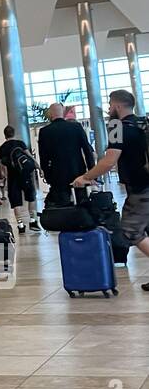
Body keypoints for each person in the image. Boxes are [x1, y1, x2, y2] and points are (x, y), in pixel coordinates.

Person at [72, 88, 149, 290]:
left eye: (109, 104)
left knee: (132, 232)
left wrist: (86, 177)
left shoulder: (116, 125)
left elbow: (109, 160)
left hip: (141, 189)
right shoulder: (143, 123)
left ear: (116, 105)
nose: (108, 108)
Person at [38, 101, 94, 206]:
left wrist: (48, 176)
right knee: (82, 202)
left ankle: (67, 220)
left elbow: (43, 157)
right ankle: (83, 219)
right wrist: (92, 173)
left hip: (57, 174)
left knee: (62, 204)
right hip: (78, 171)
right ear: (63, 112)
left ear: (50, 114)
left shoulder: (45, 131)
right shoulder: (76, 127)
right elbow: (87, 150)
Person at [0, 125, 41, 234]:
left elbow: (2, 165)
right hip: (25, 175)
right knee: (31, 198)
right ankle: (33, 220)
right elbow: (29, 155)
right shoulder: (20, 143)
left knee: (16, 202)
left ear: (5, 134)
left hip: (13, 177)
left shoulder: (3, 147)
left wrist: (4, 176)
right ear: (14, 133)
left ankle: (21, 225)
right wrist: (38, 166)